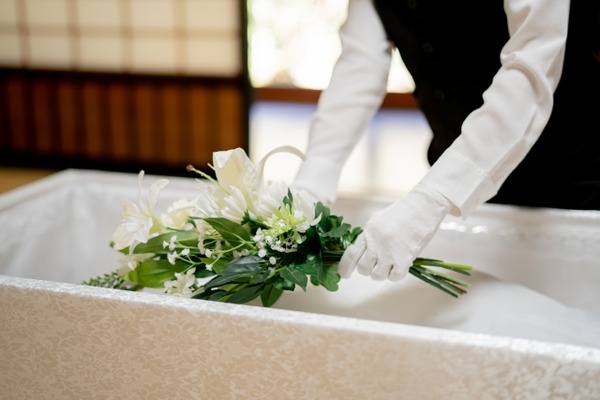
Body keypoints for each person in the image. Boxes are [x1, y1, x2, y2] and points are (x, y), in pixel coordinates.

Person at [292, 0, 600, 282]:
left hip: (574, 178)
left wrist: (429, 200)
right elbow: (360, 64)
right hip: (465, 194)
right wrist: (313, 179)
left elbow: (532, 69)